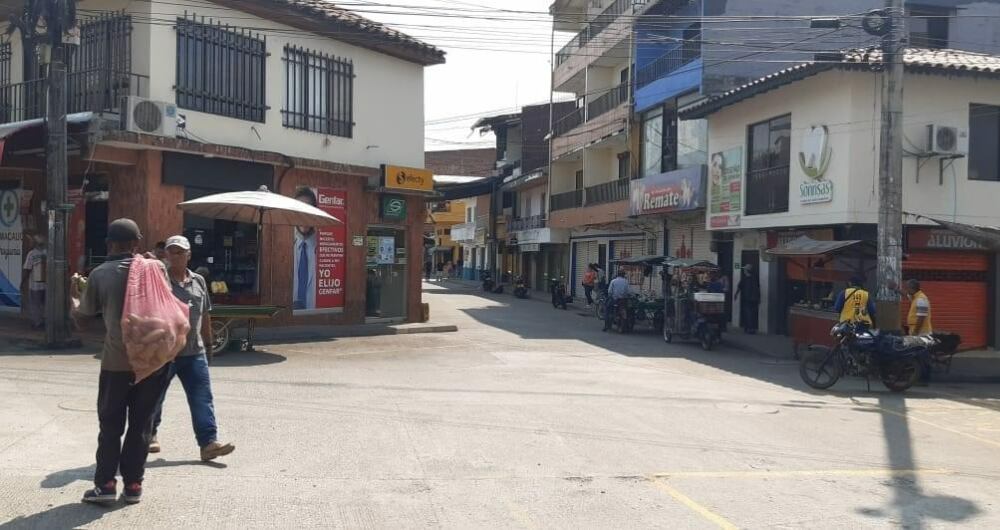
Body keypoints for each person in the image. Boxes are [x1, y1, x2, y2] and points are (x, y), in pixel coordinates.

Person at [71, 218, 171, 505]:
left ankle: (105, 485)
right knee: (142, 426)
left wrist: (73, 297)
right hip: (152, 363)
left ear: (110, 244)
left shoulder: (100, 274)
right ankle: (134, 485)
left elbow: (84, 321)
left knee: (111, 426)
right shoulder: (156, 268)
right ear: (136, 243)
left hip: (116, 363)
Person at [149, 236, 235, 462]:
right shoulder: (159, 279)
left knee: (202, 398)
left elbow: (205, 314)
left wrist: (208, 345)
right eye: (172, 252)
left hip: (194, 352)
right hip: (165, 353)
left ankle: (208, 444)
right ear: (165, 255)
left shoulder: (198, 281)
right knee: (155, 397)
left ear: (189, 255)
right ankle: (150, 434)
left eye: (180, 252)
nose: (176, 256)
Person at [292, 187, 318, 310]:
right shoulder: (285, 247)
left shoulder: (324, 248)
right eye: (299, 209)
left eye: (308, 209)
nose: (304, 215)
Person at [21, 235, 46, 329]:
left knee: (35, 304)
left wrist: (23, 282)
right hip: (45, 285)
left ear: (35, 243)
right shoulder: (45, 253)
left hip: (35, 285)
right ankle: (43, 321)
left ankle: (37, 323)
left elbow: (27, 269)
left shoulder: (31, 254)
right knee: (43, 304)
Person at [734, 264, 760, 334]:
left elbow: (739, 287)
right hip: (754, 298)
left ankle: (749, 328)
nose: (744, 271)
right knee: (752, 313)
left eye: (744, 270)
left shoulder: (745, 278)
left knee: (748, 313)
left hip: (747, 298)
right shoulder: (755, 278)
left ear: (746, 271)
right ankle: (751, 328)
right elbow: (758, 288)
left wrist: (736, 294)